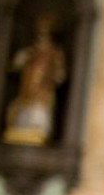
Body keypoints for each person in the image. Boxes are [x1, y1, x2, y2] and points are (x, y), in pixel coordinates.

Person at [4, 12, 67, 145]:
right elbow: (14, 65)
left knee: (39, 115)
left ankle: (39, 133)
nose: (44, 31)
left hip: (44, 91)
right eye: (42, 28)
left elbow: (60, 75)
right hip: (27, 89)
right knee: (20, 112)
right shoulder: (30, 51)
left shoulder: (55, 53)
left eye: (47, 28)